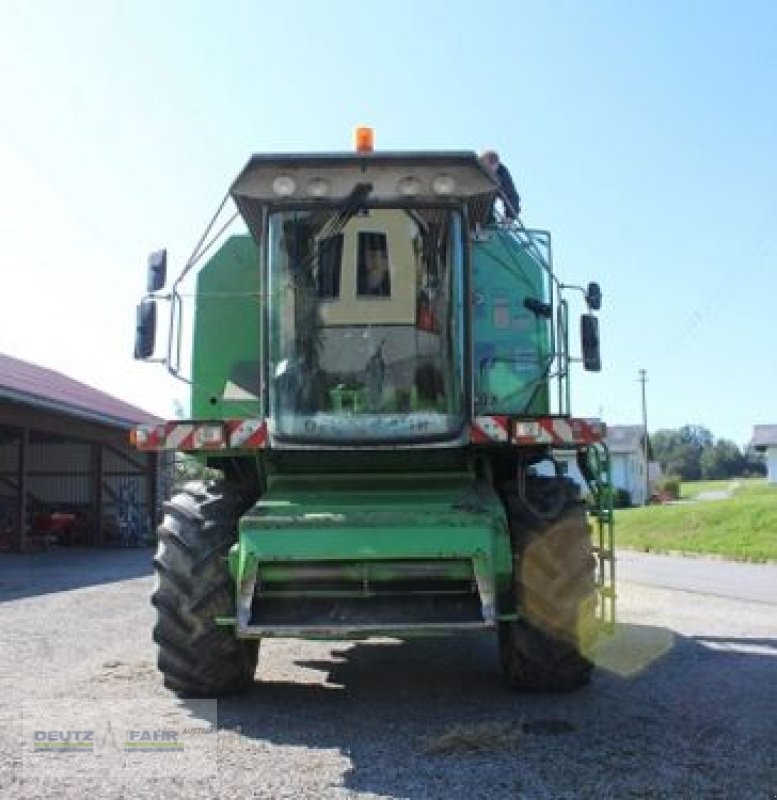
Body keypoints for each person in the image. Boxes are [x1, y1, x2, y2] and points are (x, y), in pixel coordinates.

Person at [480, 149, 521, 221]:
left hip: (485, 213)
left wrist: (509, 217)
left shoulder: (502, 173)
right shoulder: (471, 167)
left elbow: (511, 196)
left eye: (492, 172)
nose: (489, 175)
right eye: (487, 171)